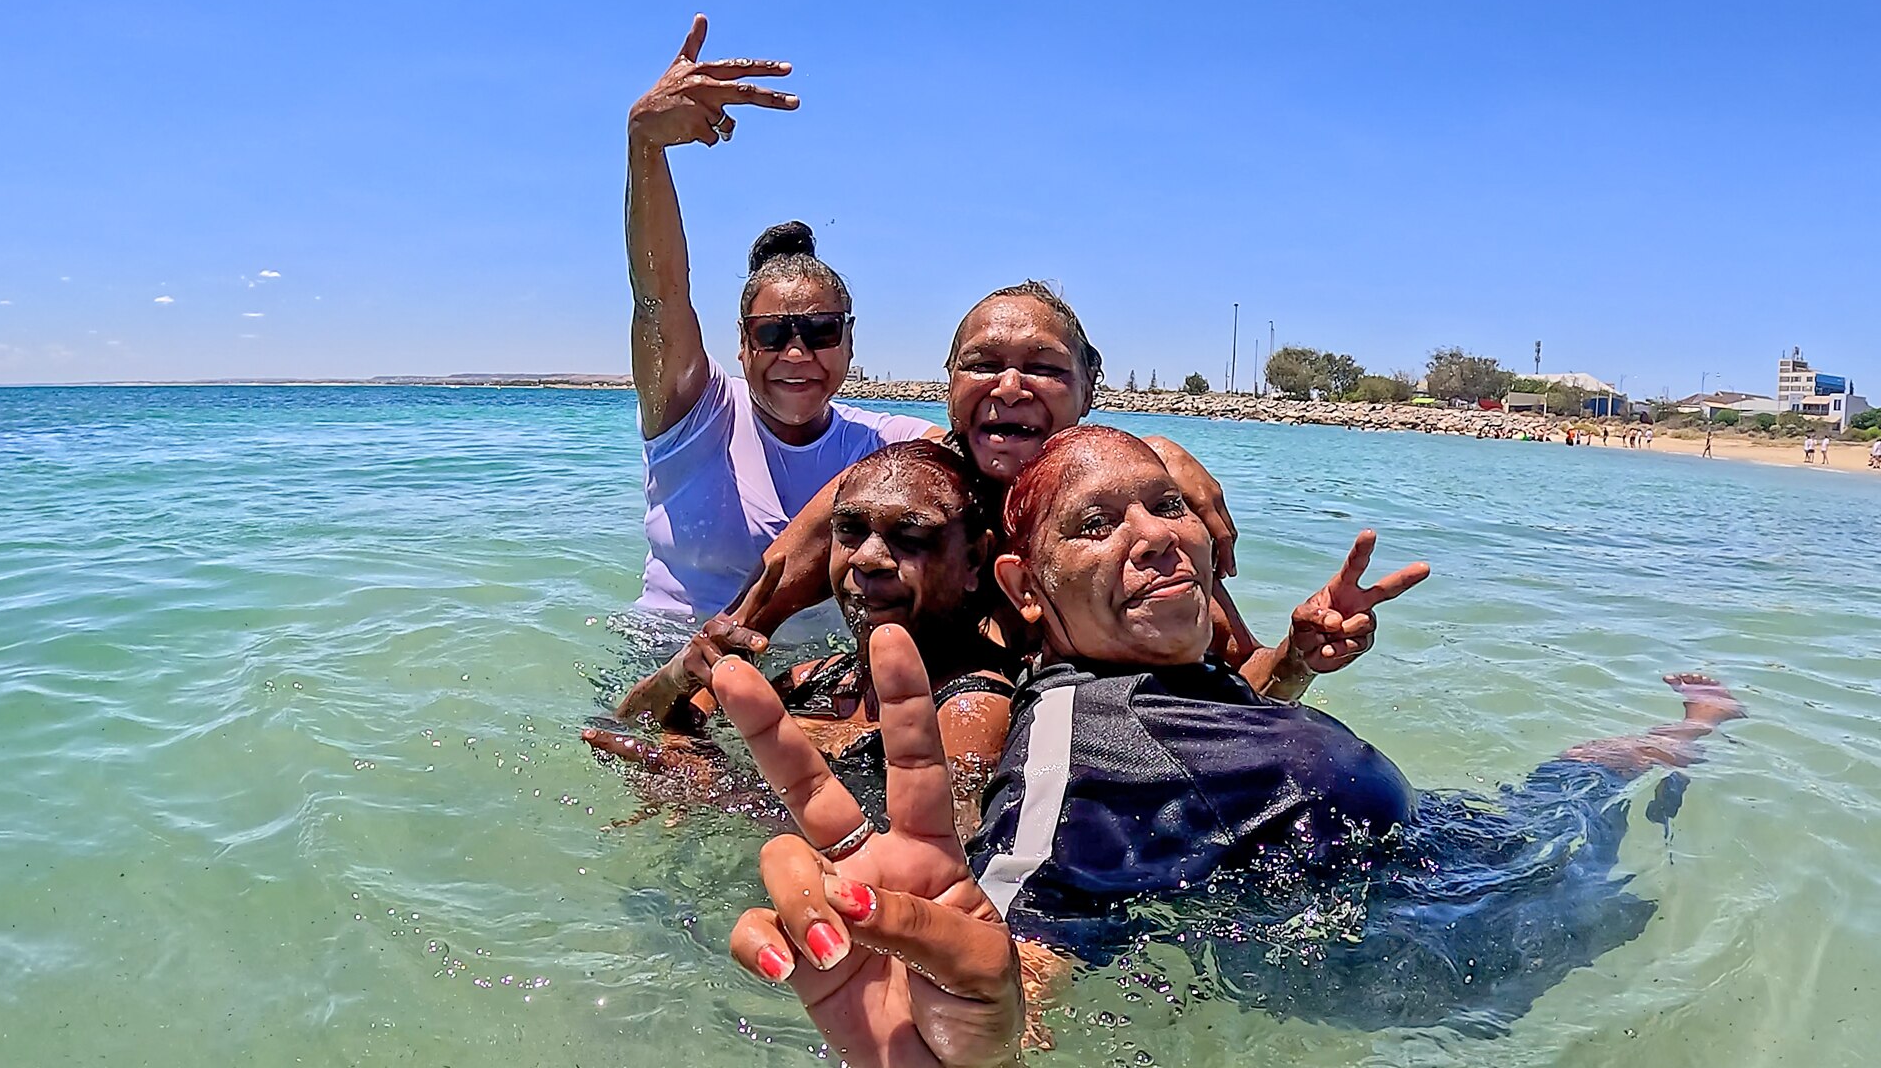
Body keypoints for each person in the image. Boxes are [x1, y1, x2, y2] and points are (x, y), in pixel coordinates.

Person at [708, 427, 1748, 1057]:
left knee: (1597, 769)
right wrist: (972, 1018)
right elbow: (1023, 938)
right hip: (1454, 975)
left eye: (1168, 507)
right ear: (1026, 587)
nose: (1155, 535)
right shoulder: (1072, 748)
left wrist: (1290, 656)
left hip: (1470, 868)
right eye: (1096, 524)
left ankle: (1675, 737)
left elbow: (1205, 747)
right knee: (1599, 783)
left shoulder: (1171, 675)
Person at [619, 282, 1419, 719]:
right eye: (982, 363)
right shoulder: (893, 504)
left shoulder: (1132, 520)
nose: (1009, 384)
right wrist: (667, 723)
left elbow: (1242, 688)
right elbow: (725, 648)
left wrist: (1303, 658)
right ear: (950, 388)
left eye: (1042, 366)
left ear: (1086, 394)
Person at [625, 15, 939, 619]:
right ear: (743, 346)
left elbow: (994, 451)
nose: (797, 354)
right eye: (773, 334)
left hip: (811, 685)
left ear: (849, 343)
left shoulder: (883, 445)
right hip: (663, 670)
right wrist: (644, 146)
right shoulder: (693, 415)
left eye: (821, 331)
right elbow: (657, 296)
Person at [586, 440, 1014, 834]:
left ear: (975, 559)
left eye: (911, 537)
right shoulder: (817, 679)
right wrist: (681, 676)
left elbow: (927, 862)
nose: (867, 558)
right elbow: (632, 723)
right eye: (849, 529)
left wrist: (723, 793)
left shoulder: (969, 710)